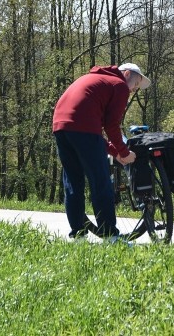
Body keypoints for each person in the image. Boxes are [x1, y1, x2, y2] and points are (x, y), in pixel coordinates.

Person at [52, 62, 151, 240]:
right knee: (101, 182)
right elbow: (111, 126)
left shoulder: (93, 78)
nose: (132, 91)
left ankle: (78, 235)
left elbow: (92, 133)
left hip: (60, 126)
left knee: (73, 183)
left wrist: (116, 152)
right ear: (127, 73)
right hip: (82, 129)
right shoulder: (119, 85)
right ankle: (110, 236)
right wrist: (124, 152)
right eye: (135, 85)